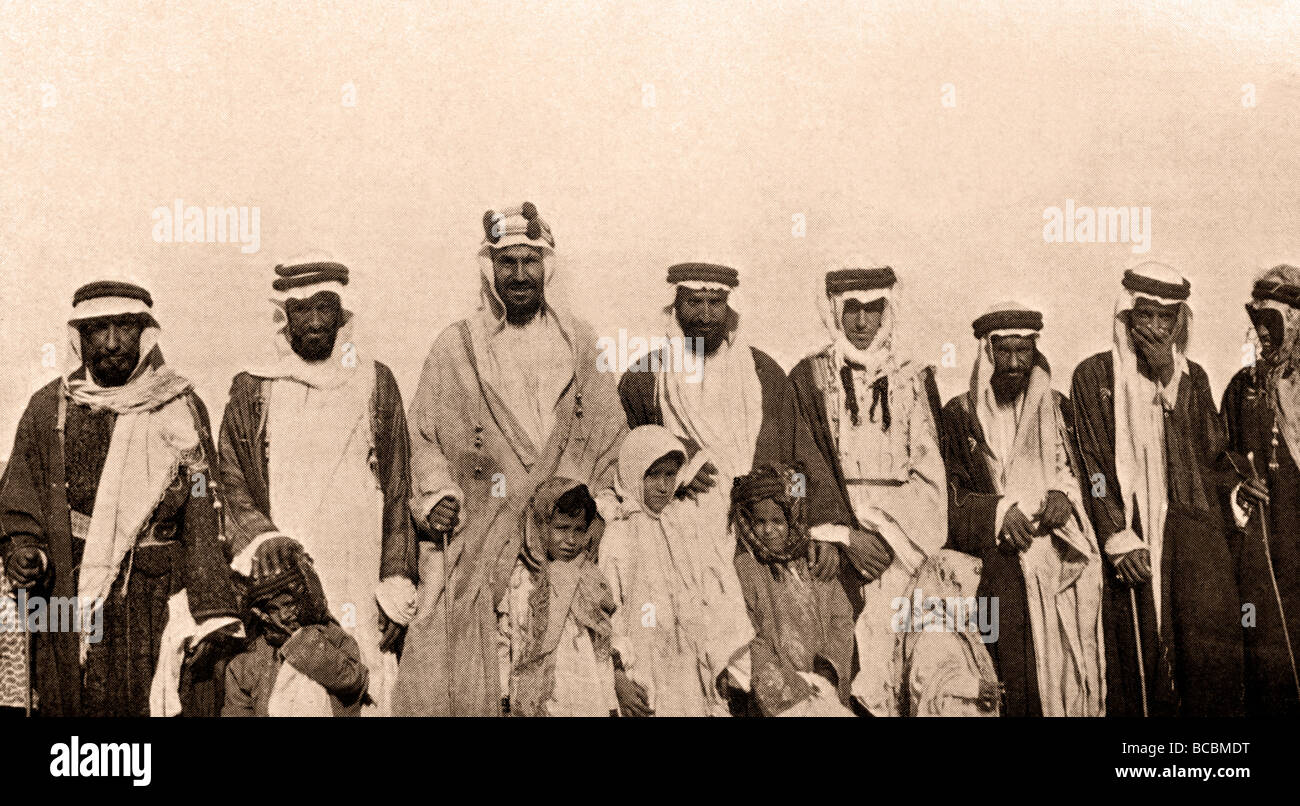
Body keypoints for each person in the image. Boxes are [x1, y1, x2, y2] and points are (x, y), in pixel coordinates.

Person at [396, 203, 626, 716]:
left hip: (563, 544)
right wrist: (437, 496)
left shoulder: (581, 342)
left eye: (530, 262)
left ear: (548, 266)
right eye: (507, 264)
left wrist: (586, 509)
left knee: (564, 688)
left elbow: (609, 435)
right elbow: (426, 437)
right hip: (483, 536)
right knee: (471, 681)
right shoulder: (455, 347)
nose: (520, 276)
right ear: (490, 270)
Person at [0, 279, 240, 716]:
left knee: (155, 697)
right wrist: (24, 547)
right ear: (79, 337)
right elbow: (21, 496)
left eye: (125, 328)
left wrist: (210, 610)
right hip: (73, 585)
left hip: (156, 592)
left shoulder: (177, 405)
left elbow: (204, 500)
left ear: (146, 332)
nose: (112, 343)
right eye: (98, 329)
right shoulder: (48, 408)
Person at [217, 255, 418, 716]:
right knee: (290, 681)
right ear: (283, 318)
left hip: (359, 563)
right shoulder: (253, 386)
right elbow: (232, 480)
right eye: (300, 310)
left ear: (341, 313)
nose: (311, 322)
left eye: (323, 308)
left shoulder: (375, 380)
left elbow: (398, 486)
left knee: (362, 675)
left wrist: (395, 580)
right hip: (286, 569)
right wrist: (265, 541)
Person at [1071, 262, 1243, 716]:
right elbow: (1093, 464)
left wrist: (1169, 373)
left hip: (1185, 536)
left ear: (1178, 322)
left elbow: (1210, 452)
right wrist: (1117, 537)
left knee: (1197, 660)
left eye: (1166, 318)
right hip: (1131, 535)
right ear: (1126, 316)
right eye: (1145, 315)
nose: (1154, 328)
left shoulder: (1194, 378)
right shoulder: (1094, 376)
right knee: (1135, 662)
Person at [776, 263, 946, 715]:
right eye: (852, 308)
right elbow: (796, 466)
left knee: (907, 667)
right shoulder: (807, 378)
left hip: (903, 547)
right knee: (834, 668)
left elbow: (930, 475)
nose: (862, 322)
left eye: (873, 309)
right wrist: (840, 535)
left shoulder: (915, 378)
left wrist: (887, 539)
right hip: (831, 544)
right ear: (835, 310)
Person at [941, 302, 1104, 716]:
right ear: (987, 353)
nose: (1014, 364)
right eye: (1005, 352)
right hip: (992, 561)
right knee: (1006, 674)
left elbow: (1082, 473)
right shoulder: (959, 415)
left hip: (1054, 559)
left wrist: (1064, 495)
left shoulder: (1060, 407)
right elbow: (947, 494)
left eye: (1024, 351)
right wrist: (999, 513)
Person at [599, 425, 754, 717]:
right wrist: (618, 677)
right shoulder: (618, 536)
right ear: (634, 473)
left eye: (670, 475)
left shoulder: (682, 526)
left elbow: (706, 597)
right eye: (652, 475)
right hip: (645, 672)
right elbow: (607, 611)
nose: (662, 486)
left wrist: (719, 660)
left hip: (689, 668)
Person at [1219, 263, 1300, 716]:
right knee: (1269, 668)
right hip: (1265, 555)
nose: (1261, 335)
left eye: (1270, 323)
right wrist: (1238, 489)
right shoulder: (1242, 389)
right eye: (1256, 323)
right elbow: (1219, 460)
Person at [730, 463, 854, 717]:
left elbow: (841, 618)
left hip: (823, 683)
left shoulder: (813, 559)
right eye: (759, 521)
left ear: (793, 518)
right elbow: (750, 634)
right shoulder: (747, 569)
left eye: (777, 520)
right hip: (781, 694)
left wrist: (829, 670)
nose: (768, 530)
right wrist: (780, 683)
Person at [497, 479, 617, 717]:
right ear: (541, 525)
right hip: (539, 697)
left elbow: (601, 646)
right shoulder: (521, 580)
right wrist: (503, 697)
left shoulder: (589, 578)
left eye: (579, 530)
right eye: (562, 528)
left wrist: (610, 703)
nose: (571, 541)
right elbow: (506, 641)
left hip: (586, 693)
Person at [223, 553, 368, 717]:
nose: (284, 615)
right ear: (262, 615)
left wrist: (302, 641)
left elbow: (353, 681)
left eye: (289, 604)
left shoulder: (332, 637)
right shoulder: (246, 663)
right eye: (273, 609)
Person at [893, 550, 1002, 717]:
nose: (971, 602)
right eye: (963, 593)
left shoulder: (965, 633)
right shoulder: (931, 632)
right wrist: (975, 688)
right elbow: (925, 681)